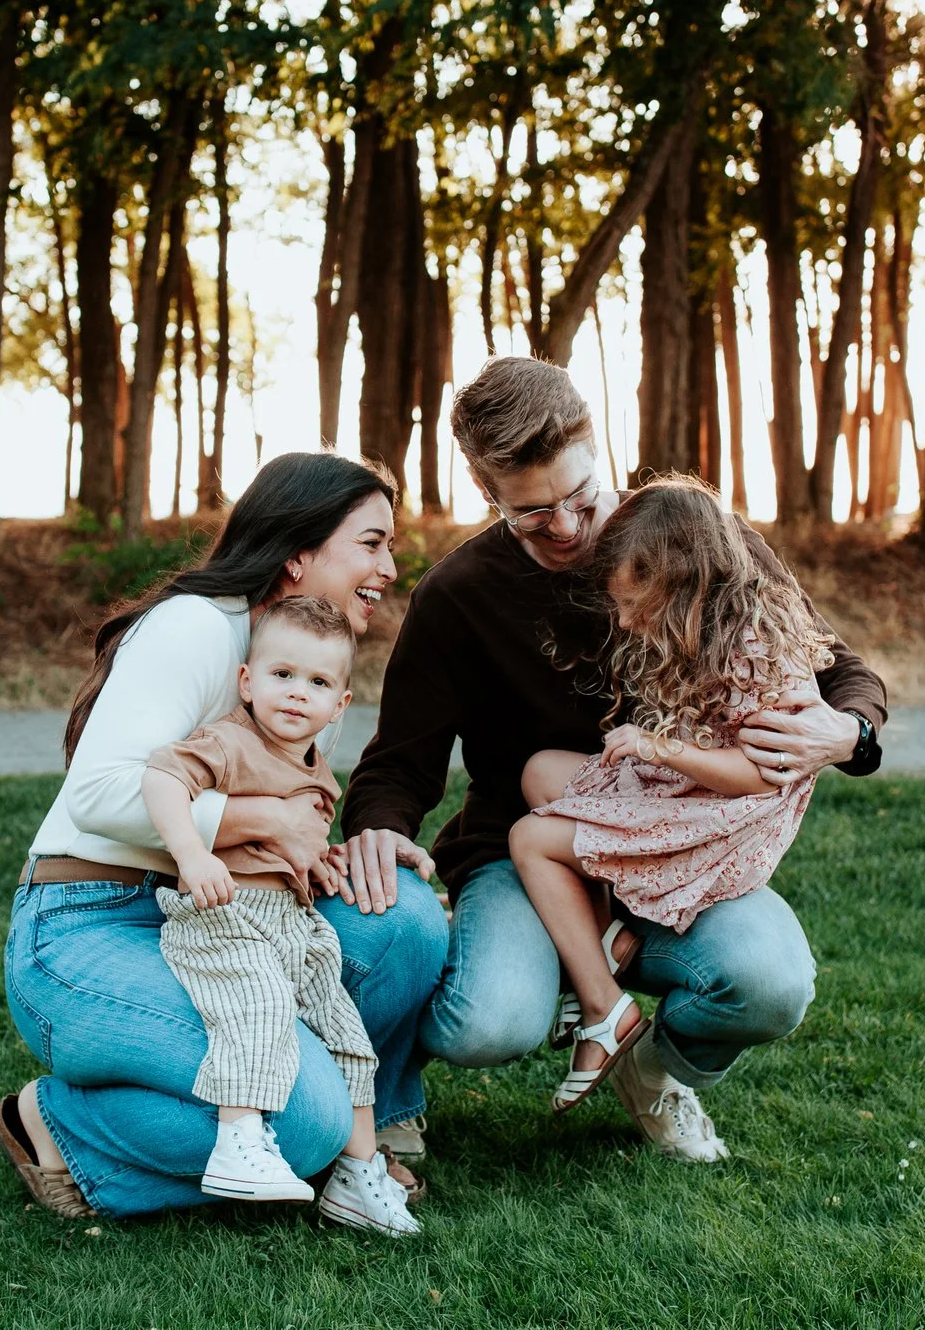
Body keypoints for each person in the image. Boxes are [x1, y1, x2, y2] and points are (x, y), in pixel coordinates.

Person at [338, 357, 886, 1163]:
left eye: (581, 498)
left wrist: (849, 734)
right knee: (491, 1019)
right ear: (489, 496)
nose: (564, 527)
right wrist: (379, 830)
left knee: (770, 980)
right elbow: (398, 761)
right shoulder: (459, 595)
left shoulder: (698, 539)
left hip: (675, 851)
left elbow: (839, 668)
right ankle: (395, 1080)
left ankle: (653, 1070)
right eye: (530, 515)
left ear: (602, 451)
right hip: (529, 846)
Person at [0, 453, 448, 1221]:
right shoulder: (200, 628)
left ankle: (354, 1122)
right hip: (85, 924)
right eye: (371, 543)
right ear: (300, 552)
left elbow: (268, 827)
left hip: (224, 918)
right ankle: (60, 1125)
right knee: (306, 1118)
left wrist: (325, 853)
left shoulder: (302, 664)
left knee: (400, 918)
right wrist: (265, 822)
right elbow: (103, 793)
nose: (389, 566)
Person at [509, 478, 834, 1112]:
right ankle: (609, 938)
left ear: (685, 575)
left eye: (636, 602)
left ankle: (605, 1012)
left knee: (531, 840)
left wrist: (662, 749)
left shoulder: (754, 646)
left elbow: (763, 773)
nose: (626, 619)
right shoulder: (709, 622)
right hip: (690, 791)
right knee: (542, 773)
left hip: (718, 816)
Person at [139, 595, 418, 1234]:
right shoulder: (230, 742)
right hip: (223, 910)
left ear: (340, 704)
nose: (296, 694)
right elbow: (160, 778)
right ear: (247, 681)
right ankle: (239, 1140)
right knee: (258, 1001)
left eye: (317, 682)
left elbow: (297, 840)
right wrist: (191, 851)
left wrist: (314, 862)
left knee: (348, 1033)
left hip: (291, 922)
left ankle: (357, 1173)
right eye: (281, 675)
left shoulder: (320, 775)